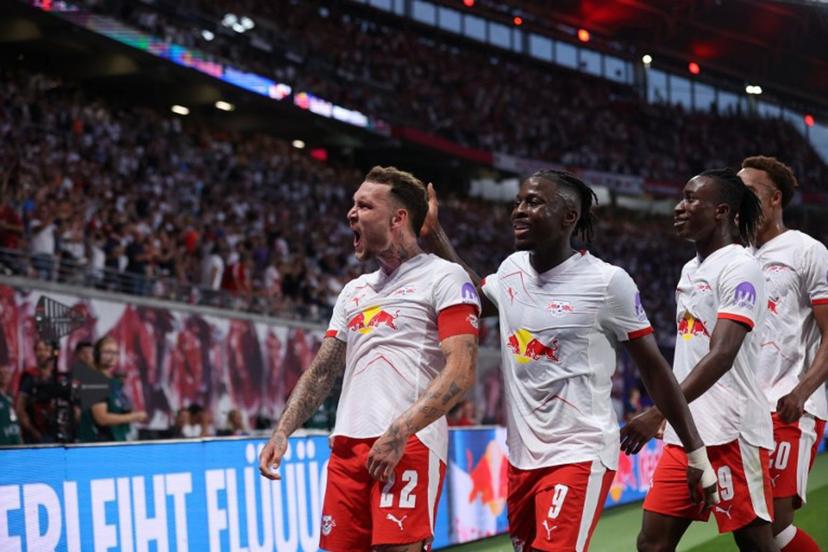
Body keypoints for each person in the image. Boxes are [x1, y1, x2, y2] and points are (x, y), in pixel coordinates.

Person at [422, 169, 717, 551]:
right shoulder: (512, 269)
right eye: (517, 203)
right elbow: (477, 293)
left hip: (580, 452)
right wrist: (435, 235)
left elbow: (655, 371)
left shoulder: (608, 283)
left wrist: (696, 453)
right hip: (522, 460)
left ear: (569, 217)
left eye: (534, 202)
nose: (519, 211)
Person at [259, 166, 480, 551]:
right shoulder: (354, 291)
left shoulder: (445, 277)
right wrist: (283, 429)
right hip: (346, 451)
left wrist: (399, 431)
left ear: (398, 218)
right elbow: (322, 370)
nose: (351, 213)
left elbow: (461, 371)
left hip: (409, 445)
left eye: (364, 205)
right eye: (352, 204)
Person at [630, 169, 776, 551]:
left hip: (733, 431)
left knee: (756, 544)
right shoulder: (690, 270)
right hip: (688, 436)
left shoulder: (740, 267)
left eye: (691, 198)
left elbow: (722, 354)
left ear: (721, 211)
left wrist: (659, 411)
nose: (679, 207)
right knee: (651, 544)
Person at [738, 156, 828, 552]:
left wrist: (803, 391)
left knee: (771, 525)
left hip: (789, 407)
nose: (742, 202)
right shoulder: (734, 257)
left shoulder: (807, 251)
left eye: (751, 194)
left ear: (775, 199)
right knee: (748, 529)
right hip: (742, 412)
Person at [77, 336, 146, 442]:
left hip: (117, 441)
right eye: (108, 352)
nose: (113, 356)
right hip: (98, 444)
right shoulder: (94, 380)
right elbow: (101, 418)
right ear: (97, 354)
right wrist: (134, 416)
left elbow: (121, 407)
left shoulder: (114, 381)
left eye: (115, 352)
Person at [15, 339, 59, 443]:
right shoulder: (30, 377)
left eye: (46, 350)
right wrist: (35, 433)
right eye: (39, 350)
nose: (42, 353)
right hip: (36, 435)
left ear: (53, 352)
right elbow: (20, 409)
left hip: (57, 433)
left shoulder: (58, 377)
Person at [0, 364, 22, 445]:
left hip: (14, 444)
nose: (3, 376)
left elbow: (15, 422)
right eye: (0, 373)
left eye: (6, 373)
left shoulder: (10, 398)